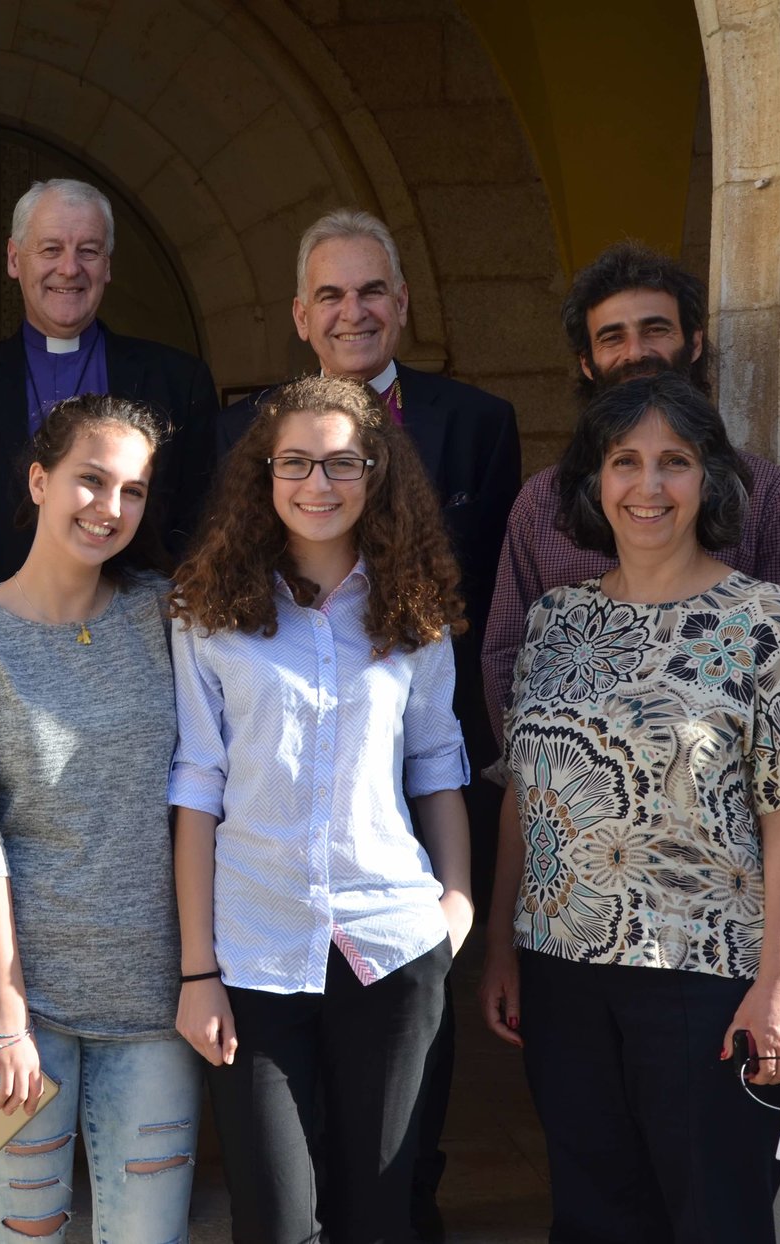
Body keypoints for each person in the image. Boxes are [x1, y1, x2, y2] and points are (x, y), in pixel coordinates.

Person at [477, 373, 780, 1242]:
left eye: (674, 462)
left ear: (710, 481)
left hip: (707, 981)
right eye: (625, 461)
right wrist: (500, 945)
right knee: (592, 1217)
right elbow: (524, 796)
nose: (649, 486)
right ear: (593, 483)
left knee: (714, 1219)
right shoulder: (557, 621)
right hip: (561, 971)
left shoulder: (765, 619)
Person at [220, 209, 518, 1235]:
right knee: (287, 1170)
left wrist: (457, 904)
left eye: (373, 291)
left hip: (403, 806)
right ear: (302, 315)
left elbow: (479, 624)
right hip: (268, 844)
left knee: (398, 1148)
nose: (355, 311)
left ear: (403, 302)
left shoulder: (476, 423)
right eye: (332, 295)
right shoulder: (246, 436)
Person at [172, 375, 474, 1244]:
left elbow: (435, 762)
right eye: (295, 462)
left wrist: (456, 901)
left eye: (344, 461)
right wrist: (199, 972)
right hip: (256, 953)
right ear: (263, 475)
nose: (319, 484)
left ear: (378, 471)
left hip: (390, 946)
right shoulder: (207, 612)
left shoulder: (412, 610)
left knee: (379, 1215)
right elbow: (197, 785)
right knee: (275, 1222)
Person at [0, 394, 198, 1241]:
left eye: (134, 490)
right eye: (89, 480)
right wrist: (8, 1017)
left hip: (155, 999)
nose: (110, 508)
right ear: (39, 481)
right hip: (15, 1007)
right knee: (22, 1234)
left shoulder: (168, 614)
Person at [480, 241, 780, 741]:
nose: (636, 352)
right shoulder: (542, 502)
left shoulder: (766, 492)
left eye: (655, 329)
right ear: (588, 363)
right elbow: (505, 655)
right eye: (612, 337)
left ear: (694, 343)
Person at [0, 177, 219, 617]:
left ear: (108, 266)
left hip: (141, 632)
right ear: (14, 260)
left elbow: (201, 521)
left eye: (89, 251)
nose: (70, 268)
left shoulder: (176, 378)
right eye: (51, 249)